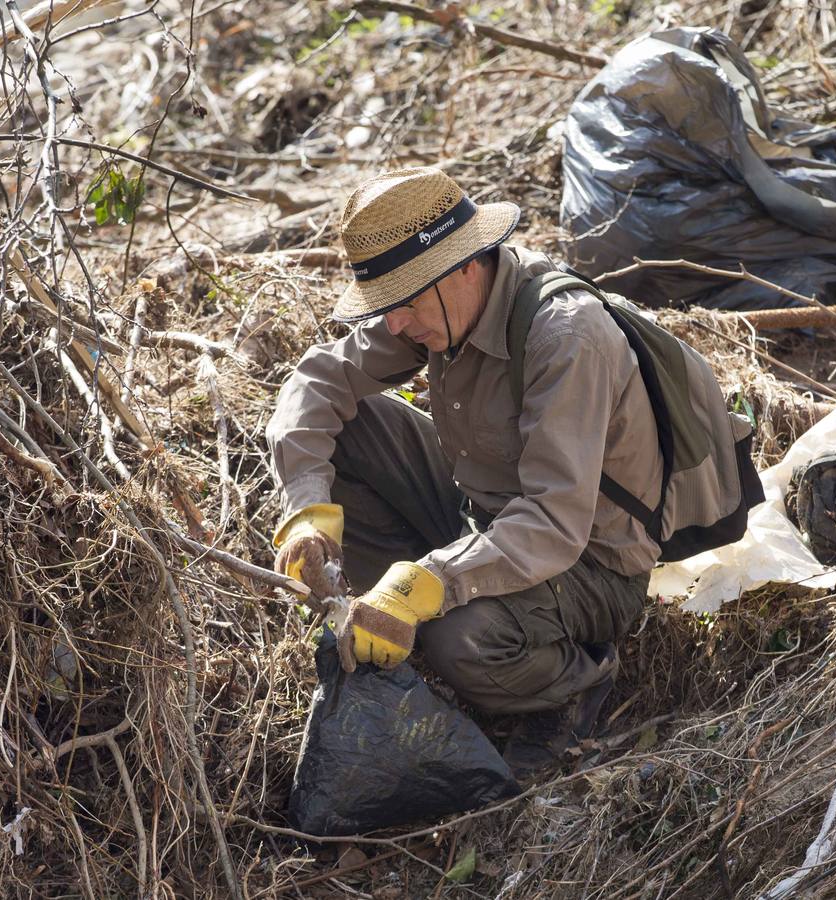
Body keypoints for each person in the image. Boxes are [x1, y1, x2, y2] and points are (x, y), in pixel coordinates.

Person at [266, 167, 663, 775]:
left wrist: (426, 583)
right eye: (386, 307)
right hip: (482, 518)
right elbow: (319, 381)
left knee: (461, 640)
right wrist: (306, 513)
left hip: (590, 561)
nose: (393, 325)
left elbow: (556, 521)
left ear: (464, 267)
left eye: (403, 304)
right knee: (349, 428)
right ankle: (388, 615)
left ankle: (575, 684)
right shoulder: (439, 308)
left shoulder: (565, 336)